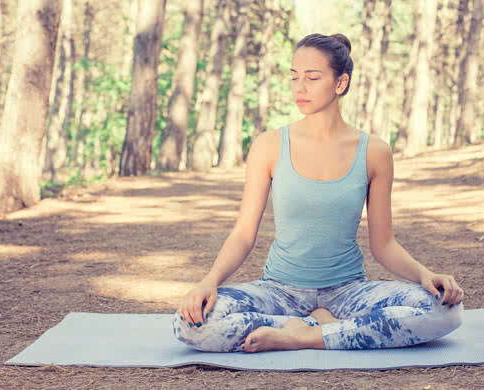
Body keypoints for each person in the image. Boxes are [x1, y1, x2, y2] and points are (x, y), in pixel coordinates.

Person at [172, 33, 464, 353]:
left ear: (340, 84)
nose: (300, 87)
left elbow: (384, 244)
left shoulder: (374, 152)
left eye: (312, 77)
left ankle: (307, 335)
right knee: (191, 324)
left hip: (348, 292)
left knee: (444, 311)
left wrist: (425, 275)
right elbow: (243, 233)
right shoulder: (269, 146)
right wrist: (209, 280)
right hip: (278, 291)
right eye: (294, 77)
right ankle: (319, 326)